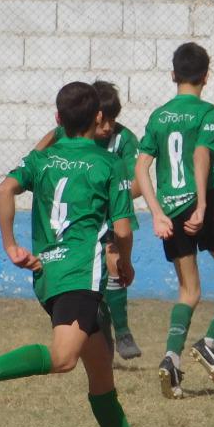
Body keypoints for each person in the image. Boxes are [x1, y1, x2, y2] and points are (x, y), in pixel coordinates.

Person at [0, 82, 166, 427]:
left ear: (57, 119)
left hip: (48, 272)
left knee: (101, 368)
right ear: (100, 119)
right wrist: (126, 260)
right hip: (80, 274)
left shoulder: (43, 159)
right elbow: (122, 226)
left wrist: (11, 244)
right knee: (65, 357)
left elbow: (3, 190)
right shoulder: (108, 165)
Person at [135, 42, 214, 399]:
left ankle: (172, 357)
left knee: (189, 290)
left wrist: (156, 212)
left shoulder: (158, 115)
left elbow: (141, 168)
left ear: (173, 75)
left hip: (169, 207)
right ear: (206, 75)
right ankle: (212, 342)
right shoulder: (208, 112)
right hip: (203, 203)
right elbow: (201, 154)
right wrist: (202, 205)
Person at [34, 80, 142, 360]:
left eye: (112, 121)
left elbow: (139, 183)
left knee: (114, 259)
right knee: (102, 271)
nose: (107, 127)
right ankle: (103, 329)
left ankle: (123, 330)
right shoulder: (71, 135)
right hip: (83, 219)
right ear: (94, 116)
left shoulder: (124, 140)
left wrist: (108, 195)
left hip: (112, 211)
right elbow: (37, 155)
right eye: (103, 120)